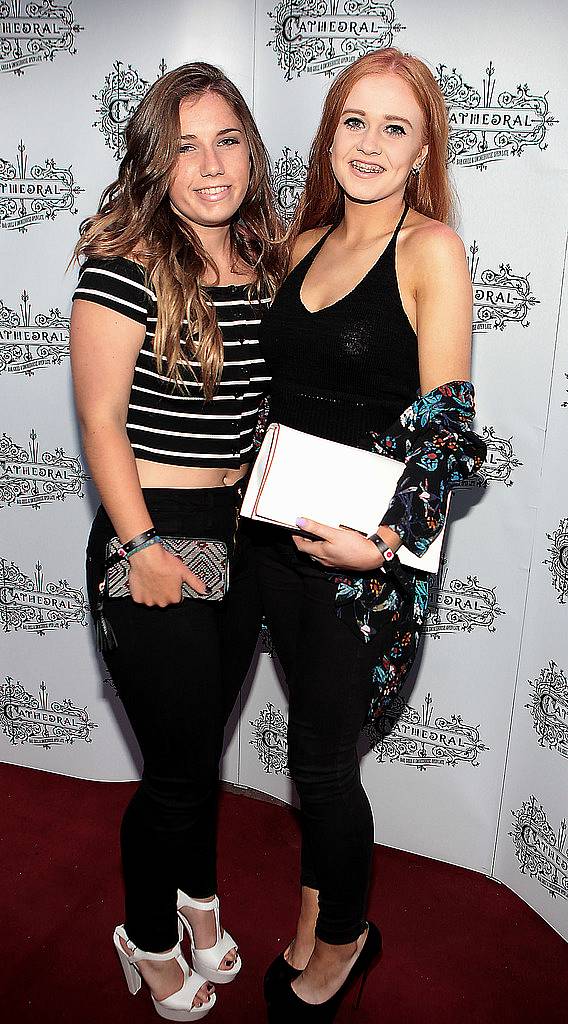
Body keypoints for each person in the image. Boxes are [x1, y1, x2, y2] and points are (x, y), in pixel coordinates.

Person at [255, 47, 486, 1021]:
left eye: (395, 126)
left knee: (320, 764)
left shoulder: (428, 249)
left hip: (362, 567)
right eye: (355, 119)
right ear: (328, 131)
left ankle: (345, 936)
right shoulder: (301, 238)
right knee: (313, 755)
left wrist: (383, 546)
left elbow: (451, 434)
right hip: (276, 544)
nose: (370, 142)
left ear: (423, 146)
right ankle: (315, 913)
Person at [70, 62, 284, 1021]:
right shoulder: (123, 265)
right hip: (153, 535)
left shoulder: (267, 264)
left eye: (227, 138)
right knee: (176, 771)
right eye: (185, 144)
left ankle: (198, 902)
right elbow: (102, 423)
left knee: (199, 752)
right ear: (154, 164)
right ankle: (146, 938)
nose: (210, 163)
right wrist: (145, 547)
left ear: (252, 150)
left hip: (243, 539)